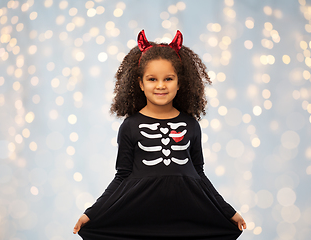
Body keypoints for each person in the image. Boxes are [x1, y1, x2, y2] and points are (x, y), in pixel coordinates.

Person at [73, 29, 246, 239]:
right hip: (140, 212)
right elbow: (121, 176)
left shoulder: (191, 124)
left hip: (187, 213)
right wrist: (91, 214)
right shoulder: (130, 126)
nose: (161, 85)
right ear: (140, 84)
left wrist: (229, 212)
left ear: (180, 83)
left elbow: (199, 173)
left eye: (169, 79)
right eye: (152, 79)